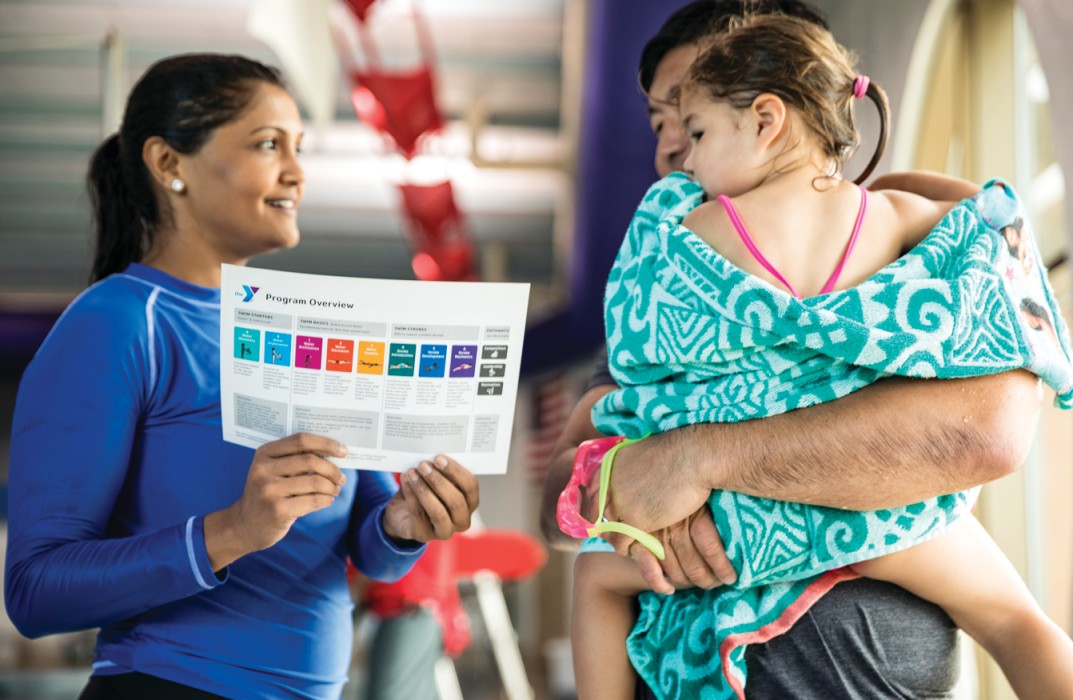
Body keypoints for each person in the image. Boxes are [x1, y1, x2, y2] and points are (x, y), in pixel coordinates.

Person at [561, 14, 1073, 700]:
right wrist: (992, 215)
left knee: (596, 576)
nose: (680, 151)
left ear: (764, 118)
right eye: (663, 126)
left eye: (694, 125)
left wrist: (668, 454)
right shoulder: (891, 215)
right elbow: (978, 236)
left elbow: (641, 348)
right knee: (1015, 620)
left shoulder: (689, 228)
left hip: (728, 519)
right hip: (885, 518)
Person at [4, 53, 480, 700]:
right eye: (267, 144)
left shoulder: (308, 329)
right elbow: (35, 591)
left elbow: (368, 537)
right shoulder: (120, 323)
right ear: (169, 164)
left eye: (299, 148)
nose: (296, 173)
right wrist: (231, 532)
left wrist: (406, 521)